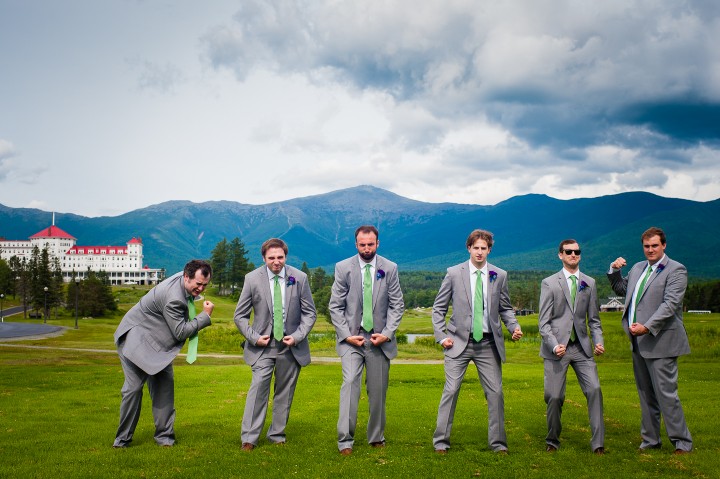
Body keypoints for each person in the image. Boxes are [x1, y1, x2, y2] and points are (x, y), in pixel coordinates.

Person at [432, 229, 523, 454]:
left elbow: (505, 308)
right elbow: (438, 308)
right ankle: (441, 442)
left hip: (488, 344)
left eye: (484, 248)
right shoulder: (453, 273)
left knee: (495, 393)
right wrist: (442, 336)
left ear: (489, 250)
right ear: (469, 248)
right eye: (476, 248)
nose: (480, 252)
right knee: (451, 390)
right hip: (458, 342)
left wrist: (514, 326)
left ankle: (498, 444)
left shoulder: (499, 275)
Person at [607, 226, 692, 454]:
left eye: (655, 245)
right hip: (638, 342)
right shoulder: (637, 268)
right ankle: (650, 441)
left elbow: (670, 305)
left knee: (666, 394)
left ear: (664, 245)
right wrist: (614, 270)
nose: (650, 250)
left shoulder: (676, 270)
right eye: (646, 246)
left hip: (661, 341)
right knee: (645, 395)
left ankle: (682, 443)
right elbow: (622, 289)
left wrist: (648, 326)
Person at [113, 259, 214, 448]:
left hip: (158, 345)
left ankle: (165, 438)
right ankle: (122, 440)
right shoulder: (174, 297)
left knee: (164, 391)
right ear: (186, 276)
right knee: (133, 390)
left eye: (205, 285)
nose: (201, 288)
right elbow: (181, 331)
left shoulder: (184, 280)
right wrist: (205, 316)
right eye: (198, 284)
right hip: (135, 340)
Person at [234, 238, 317, 451]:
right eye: (271, 258)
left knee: (285, 392)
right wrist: (253, 337)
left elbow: (310, 313)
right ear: (264, 258)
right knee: (258, 389)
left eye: (280, 257)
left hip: (290, 346)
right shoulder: (252, 279)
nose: (276, 262)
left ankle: (277, 434)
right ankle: (249, 439)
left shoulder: (300, 278)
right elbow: (240, 316)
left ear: (285, 257)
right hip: (262, 346)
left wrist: (298, 336)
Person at [329, 225, 404, 455]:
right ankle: (345, 441)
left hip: (379, 340)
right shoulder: (343, 268)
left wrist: (387, 333)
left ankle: (376, 437)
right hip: (351, 338)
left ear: (377, 243)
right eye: (362, 245)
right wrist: (346, 335)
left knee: (378, 390)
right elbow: (335, 306)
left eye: (371, 244)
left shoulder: (390, 268)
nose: (367, 248)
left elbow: (397, 305)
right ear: (356, 244)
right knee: (350, 383)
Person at [539, 239, 605, 454]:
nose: (573, 255)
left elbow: (593, 319)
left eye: (577, 251)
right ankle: (552, 440)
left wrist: (599, 342)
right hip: (557, 349)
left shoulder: (590, 283)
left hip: (582, 349)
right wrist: (553, 344)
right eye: (569, 252)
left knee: (595, 389)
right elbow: (544, 322)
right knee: (555, 397)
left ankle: (598, 444)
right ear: (560, 255)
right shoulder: (549, 283)